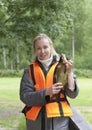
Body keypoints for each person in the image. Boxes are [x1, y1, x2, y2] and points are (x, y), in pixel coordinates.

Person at [20, 33, 79, 130]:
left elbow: (72, 94)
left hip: (59, 123)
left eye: (45, 47)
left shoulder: (64, 65)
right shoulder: (29, 71)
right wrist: (46, 92)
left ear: (50, 47)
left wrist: (69, 73)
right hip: (35, 124)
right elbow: (25, 96)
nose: (42, 51)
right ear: (35, 50)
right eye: (38, 48)